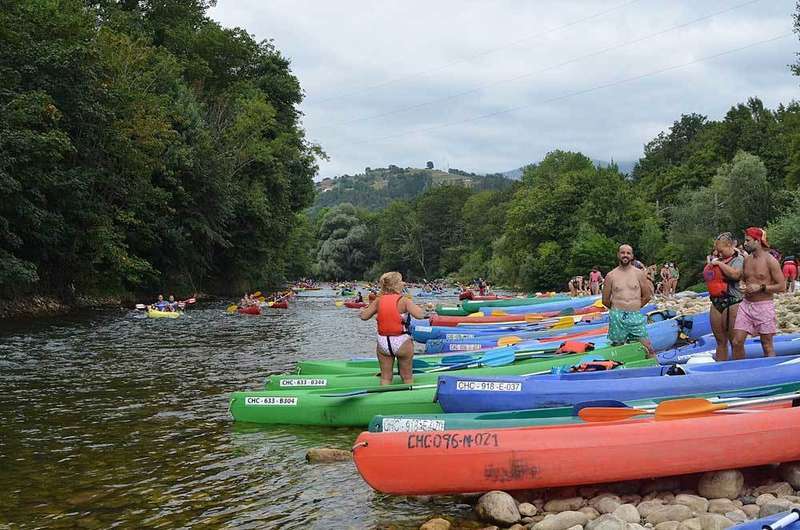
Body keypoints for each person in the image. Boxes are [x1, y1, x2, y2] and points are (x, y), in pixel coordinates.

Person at [360, 272, 430, 385]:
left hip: (383, 342)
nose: (403, 283)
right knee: (407, 377)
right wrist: (425, 310)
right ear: (396, 285)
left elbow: (364, 316)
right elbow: (420, 315)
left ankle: (384, 393)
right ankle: (409, 392)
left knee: (385, 377)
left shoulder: (378, 300)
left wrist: (363, 311)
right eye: (401, 281)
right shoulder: (404, 300)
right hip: (402, 341)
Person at [731, 227, 785, 359]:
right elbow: (744, 279)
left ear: (758, 241)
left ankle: (771, 370)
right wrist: (741, 285)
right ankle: (739, 369)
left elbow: (782, 286)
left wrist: (761, 287)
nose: (745, 243)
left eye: (748, 240)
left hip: (764, 305)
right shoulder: (747, 259)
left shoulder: (770, 261)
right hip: (746, 305)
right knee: (736, 342)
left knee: (766, 345)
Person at [602, 244, 654, 357]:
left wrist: (635, 306)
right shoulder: (610, 276)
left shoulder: (639, 274)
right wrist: (617, 310)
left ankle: (654, 365)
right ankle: (620, 366)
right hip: (617, 317)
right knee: (618, 349)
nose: (625, 255)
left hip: (635, 315)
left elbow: (647, 296)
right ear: (618, 255)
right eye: (622, 253)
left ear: (632, 256)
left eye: (628, 253)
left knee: (648, 347)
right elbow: (605, 300)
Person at [704, 233, 744, 361]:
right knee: (720, 341)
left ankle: (739, 368)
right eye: (717, 250)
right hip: (716, 301)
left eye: (721, 250)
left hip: (733, 301)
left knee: (735, 342)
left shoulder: (739, 259)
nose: (718, 253)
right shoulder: (717, 260)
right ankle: (721, 367)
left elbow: (736, 275)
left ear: (729, 245)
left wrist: (719, 265)